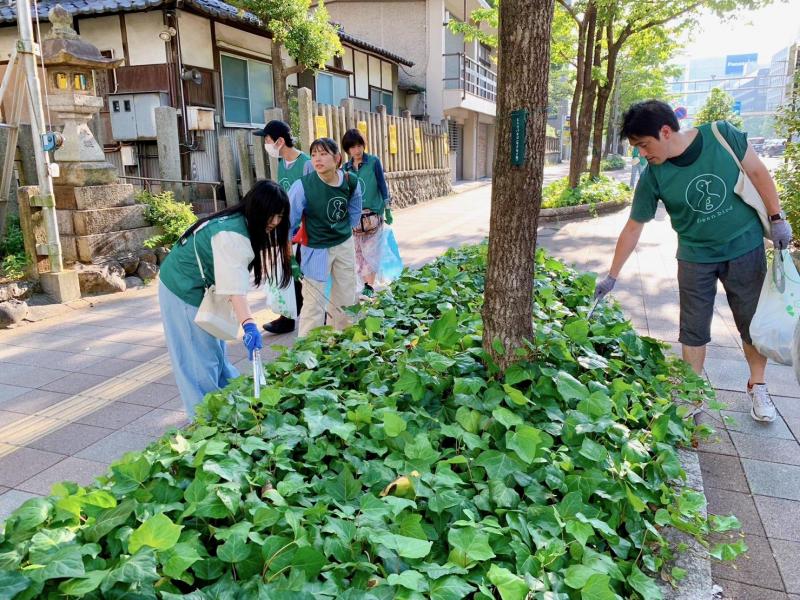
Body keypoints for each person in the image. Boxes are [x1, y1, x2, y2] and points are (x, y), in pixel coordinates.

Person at [595, 100, 793, 422]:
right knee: (693, 327)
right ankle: (692, 393)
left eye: (644, 145)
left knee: (750, 322)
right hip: (694, 256)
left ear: (665, 131)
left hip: (743, 246)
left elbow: (757, 172)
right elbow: (633, 226)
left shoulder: (721, 135)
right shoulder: (654, 175)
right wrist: (612, 276)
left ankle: (758, 385)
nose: (642, 154)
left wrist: (777, 218)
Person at [159, 180, 292, 416]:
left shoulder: (243, 222)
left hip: (202, 287)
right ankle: (204, 421)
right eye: (271, 215)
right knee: (198, 363)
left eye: (280, 216)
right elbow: (235, 289)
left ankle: (231, 410)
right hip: (182, 287)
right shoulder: (232, 234)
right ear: (257, 208)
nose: (275, 221)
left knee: (214, 353)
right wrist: (249, 325)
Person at [288, 137, 362, 337]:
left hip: (343, 244)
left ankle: (341, 341)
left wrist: (343, 230)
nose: (317, 159)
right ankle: (308, 348)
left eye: (323, 154)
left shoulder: (350, 181)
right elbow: (287, 223)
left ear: (337, 158)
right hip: (316, 248)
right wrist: (289, 257)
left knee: (346, 297)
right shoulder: (302, 187)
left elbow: (355, 210)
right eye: (313, 155)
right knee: (314, 302)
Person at [253, 120, 313, 335]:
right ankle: (287, 317)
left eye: (267, 139)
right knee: (287, 271)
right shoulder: (281, 164)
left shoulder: (306, 164)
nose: (266, 144)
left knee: (307, 274)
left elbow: (312, 197)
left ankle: (315, 317)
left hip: (305, 230)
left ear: (280, 141)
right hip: (286, 227)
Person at [342, 129, 393, 299]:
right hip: (355, 219)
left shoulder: (373, 162)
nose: (356, 150)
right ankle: (366, 286)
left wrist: (387, 209)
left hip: (373, 215)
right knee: (358, 254)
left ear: (363, 145)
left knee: (371, 252)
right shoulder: (346, 168)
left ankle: (369, 287)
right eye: (352, 147)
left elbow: (382, 185)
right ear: (347, 150)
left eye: (359, 146)